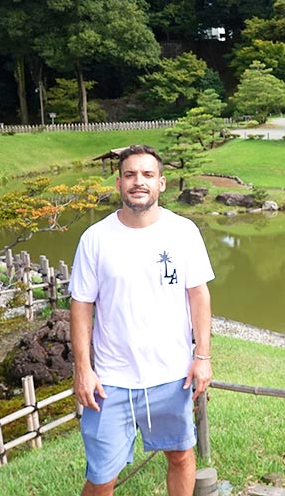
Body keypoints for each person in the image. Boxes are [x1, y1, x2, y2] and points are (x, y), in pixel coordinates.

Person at [69, 144, 215, 496]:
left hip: (170, 375)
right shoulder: (95, 239)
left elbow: (199, 296)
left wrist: (203, 357)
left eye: (148, 175)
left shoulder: (183, 232)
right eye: (130, 175)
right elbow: (81, 306)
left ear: (161, 183)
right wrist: (83, 369)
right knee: (102, 476)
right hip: (111, 380)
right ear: (118, 183)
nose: (139, 182)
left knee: (180, 455)